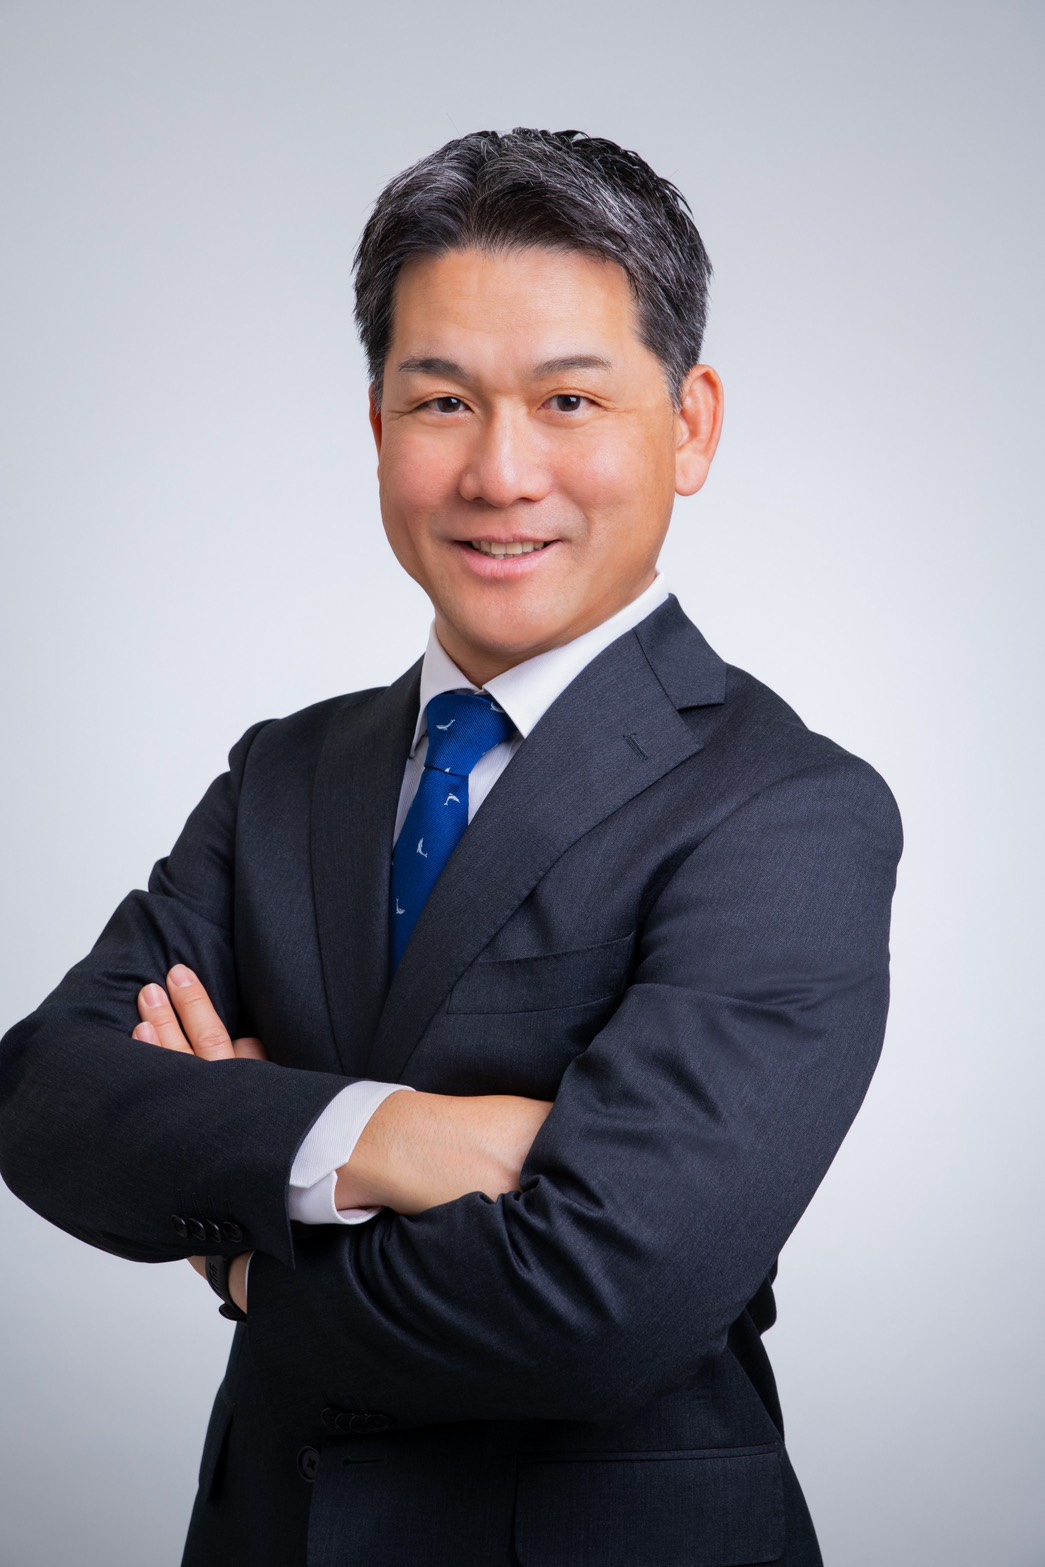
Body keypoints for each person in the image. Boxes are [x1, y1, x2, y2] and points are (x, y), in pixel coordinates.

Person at [0, 128, 902, 1567]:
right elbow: (48, 1096)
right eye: (441, 402)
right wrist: (396, 1138)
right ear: (377, 428)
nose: (499, 471)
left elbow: (600, 1303)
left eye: (567, 399)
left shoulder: (786, 807)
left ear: (689, 426)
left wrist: (246, 1249)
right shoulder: (284, 773)